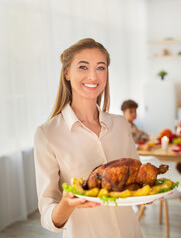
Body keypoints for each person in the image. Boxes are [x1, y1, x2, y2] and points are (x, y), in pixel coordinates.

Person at [34, 38, 143, 237]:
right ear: (66, 72)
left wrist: (147, 191)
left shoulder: (120, 124)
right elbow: (48, 213)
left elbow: (137, 178)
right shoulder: (48, 134)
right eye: (83, 67)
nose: (93, 76)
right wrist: (66, 204)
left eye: (100, 68)